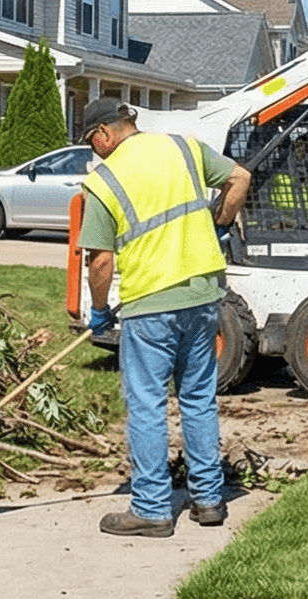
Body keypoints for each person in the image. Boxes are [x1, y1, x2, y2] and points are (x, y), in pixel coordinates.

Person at [76, 97, 251, 538]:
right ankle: (209, 500)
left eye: (91, 142)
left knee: (147, 405)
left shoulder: (104, 181)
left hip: (150, 304)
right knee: (198, 398)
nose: (94, 151)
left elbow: (99, 264)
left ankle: (152, 508)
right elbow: (240, 177)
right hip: (203, 294)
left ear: (103, 134)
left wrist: (98, 312)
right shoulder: (184, 148)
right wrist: (221, 223)